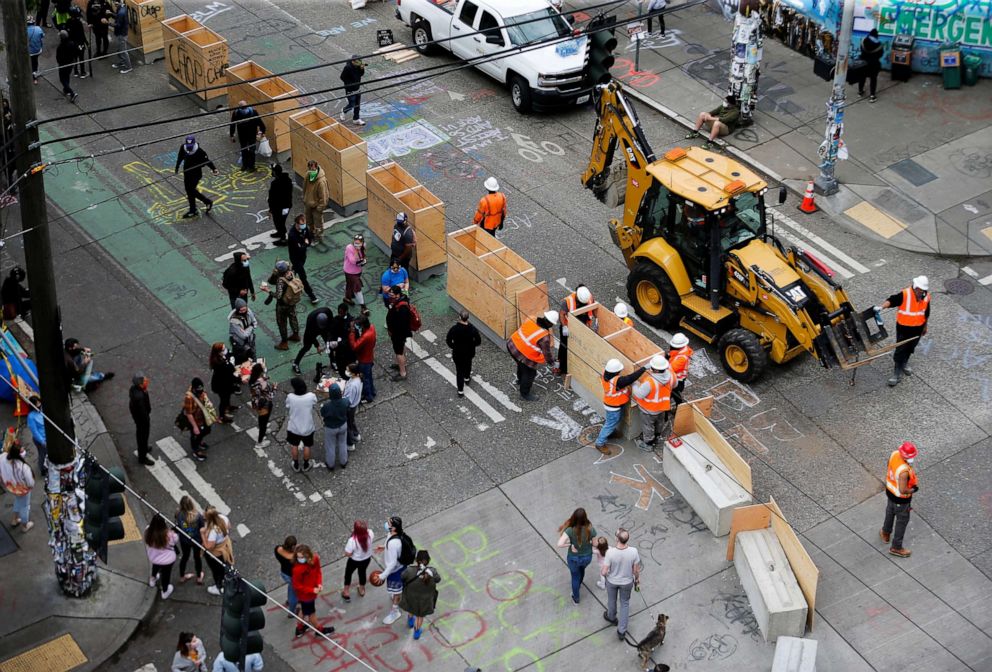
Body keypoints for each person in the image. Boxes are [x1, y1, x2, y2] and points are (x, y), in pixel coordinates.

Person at [877, 275, 930, 387]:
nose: (921, 293)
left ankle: (904, 363)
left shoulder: (926, 297)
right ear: (915, 287)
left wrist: (925, 326)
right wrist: (881, 307)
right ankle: (896, 372)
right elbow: (892, 300)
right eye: (919, 290)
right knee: (900, 349)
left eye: (923, 291)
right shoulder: (905, 294)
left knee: (911, 347)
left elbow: (926, 313)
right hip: (903, 329)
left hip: (917, 329)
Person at [595, 359, 647, 455]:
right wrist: (644, 368)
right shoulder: (616, 381)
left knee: (612, 422)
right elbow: (631, 378)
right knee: (610, 424)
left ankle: (611, 433)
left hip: (613, 404)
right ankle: (599, 443)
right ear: (616, 371)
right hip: (614, 407)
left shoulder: (605, 375)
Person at [507, 311, 558, 401]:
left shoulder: (532, 318)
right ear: (550, 323)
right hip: (523, 354)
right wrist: (552, 362)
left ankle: (520, 380)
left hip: (512, 345)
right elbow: (547, 353)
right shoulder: (544, 337)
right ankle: (525, 394)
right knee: (530, 373)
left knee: (521, 365)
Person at [601, 528, 641, 640]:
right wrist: (637, 580)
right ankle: (622, 631)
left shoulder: (610, 553)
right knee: (625, 604)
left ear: (617, 539)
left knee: (611, 600)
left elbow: (604, 571)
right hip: (627, 582)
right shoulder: (634, 551)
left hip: (612, 581)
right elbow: (636, 570)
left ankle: (611, 617)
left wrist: (605, 575)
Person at [881, 441, 919, 558]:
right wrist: (914, 489)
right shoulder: (903, 472)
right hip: (901, 499)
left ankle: (885, 533)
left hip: (890, 491)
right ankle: (896, 547)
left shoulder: (894, 454)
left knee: (889, 512)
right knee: (901, 522)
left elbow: (889, 467)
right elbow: (903, 490)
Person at [292, 544, 336, 638]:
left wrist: (319, 583)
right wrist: (312, 590)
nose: (300, 559)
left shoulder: (315, 559)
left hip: (311, 592)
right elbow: (297, 586)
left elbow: (318, 571)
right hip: (305, 596)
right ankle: (319, 630)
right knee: (311, 613)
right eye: (298, 557)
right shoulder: (297, 570)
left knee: (304, 610)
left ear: (308, 555)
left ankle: (299, 628)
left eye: (302, 557)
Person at [556, 507, 597, 604]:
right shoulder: (590, 529)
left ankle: (576, 598)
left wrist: (570, 544)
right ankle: (579, 584)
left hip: (573, 558)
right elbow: (595, 544)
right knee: (582, 570)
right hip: (587, 557)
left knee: (574, 576)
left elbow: (559, 544)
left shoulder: (570, 530)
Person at [632, 356, 673, 450]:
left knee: (648, 426)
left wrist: (634, 383)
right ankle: (657, 434)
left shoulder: (650, 381)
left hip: (649, 410)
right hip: (662, 407)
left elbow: (639, 394)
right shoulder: (669, 375)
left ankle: (648, 443)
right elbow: (675, 384)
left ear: (656, 370)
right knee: (659, 422)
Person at [379, 516, 414, 625]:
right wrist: (384, 547)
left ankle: (395, 612)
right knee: (396, 590)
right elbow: (390, 542)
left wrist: (383, 575)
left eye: (388, 523)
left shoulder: (394, 543)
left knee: (397, 592)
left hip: (396, 571)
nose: (386, 524)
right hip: (398, 568)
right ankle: (396, 595)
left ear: (393, 528)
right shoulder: (394, 535)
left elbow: (393, 563)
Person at [400, 550, 442, 640]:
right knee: (420, 616)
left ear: (416, 560)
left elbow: (402, 577)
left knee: (411, 608)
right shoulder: (432, 571)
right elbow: (438, 579)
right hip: (425, 600)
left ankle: (410, 620)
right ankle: (417, 631)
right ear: (428, 560)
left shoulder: (409, 570)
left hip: (411, 596)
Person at [174, 135, 218, 219]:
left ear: (194, 144)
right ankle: (194, 209)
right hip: (187, 173)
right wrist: (177, 167)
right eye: (188, 147)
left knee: (191, 190)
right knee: (189, 191)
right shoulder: (183, 147)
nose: (189, 149)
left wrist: (214, 168)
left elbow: (207, 161)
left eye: (190, 147)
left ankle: (205, 202)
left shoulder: (200, 151)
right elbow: (180, 157)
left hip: (196, 175)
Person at [262, 260, 302, 350]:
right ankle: (296, 335)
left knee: (282, 323)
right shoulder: (292, 273)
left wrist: (268, 291)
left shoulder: (281, 280)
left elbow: (278, 296)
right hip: (291, 302)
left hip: (282, 305)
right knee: (293, 317)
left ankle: (284, 343)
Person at [558, 284, 596, 376]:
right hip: (568, 328)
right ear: (578, 298)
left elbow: (593, 308)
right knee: (564, 348)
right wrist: (564, 327)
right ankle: (562, 367)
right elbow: (562, 314)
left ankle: (575, 366)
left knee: (578, 348)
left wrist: (597, 319)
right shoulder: (568, 301)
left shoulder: (588, 297)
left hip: (582, 327)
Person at [1, 438, 35, 533]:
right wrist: (30, 487)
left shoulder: (2, 457)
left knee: (18, 500)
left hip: (11, 487)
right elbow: (30, 483)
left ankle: (15, 519)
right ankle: (25, 525)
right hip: (22, 489)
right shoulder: (23, 467)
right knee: (25, 506)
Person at [286, 377, 317, 472]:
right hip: (307, 427)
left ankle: (295, 464)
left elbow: (287, 406)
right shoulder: (311, 396)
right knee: (307, 446)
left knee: (294, 445)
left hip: (294, 427)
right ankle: (306, 464)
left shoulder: (290, 397)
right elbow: (314, 403)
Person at [446, 311, 481, 396]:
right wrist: (472, 345)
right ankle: (467, 378)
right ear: (468, 318)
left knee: (459, 371)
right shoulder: (472, 329)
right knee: (468, 364)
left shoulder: (454, 329)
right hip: (469, 352)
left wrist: (453, 346)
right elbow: (478, 341)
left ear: (459, 317)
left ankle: (460, 390)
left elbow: (448, 340)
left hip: (457, 353)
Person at [145, 514, 179, 600]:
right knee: (166, 575)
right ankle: (165, 591)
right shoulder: (170, 535)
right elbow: (175, 542)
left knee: (155, 568)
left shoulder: (148, 531)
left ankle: (152, 580)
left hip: (154, 558)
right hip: (167, 560)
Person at [293, 307, 335, 375]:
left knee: (329, 343)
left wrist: (330, 339)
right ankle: (295, 363)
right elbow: (311, 336)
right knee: (307, 347)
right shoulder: (310, 320)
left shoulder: (328, 312)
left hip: (325, 329)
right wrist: (317, 346)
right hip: (312, 330)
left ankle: (333, 361)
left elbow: (331, 326)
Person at [201, 506, 233, 596]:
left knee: (216, 571)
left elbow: (209, 547)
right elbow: (229, 526)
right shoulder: (223, 518)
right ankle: (227, 576)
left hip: (216, 553)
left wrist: (202, 534)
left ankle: (219, 587)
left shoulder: (213, 531)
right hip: (225, 546)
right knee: (225, 564)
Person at [288, 215, 319, 305]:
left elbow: (309, 239)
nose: (304, 225)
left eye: (304, 223)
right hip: (295, 257)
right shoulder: (292, 235)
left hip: (303, 256)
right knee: (303, 277)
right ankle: (311, 295)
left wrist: (305, 244)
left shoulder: (305, 229)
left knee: (294, 271)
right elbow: (299, 248)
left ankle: (289, 277)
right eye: (302, 224)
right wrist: (305, 244)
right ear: (296, 224)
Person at [183, 378, 215, 462]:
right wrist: (195, 427)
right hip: (195, 420)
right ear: (194, 389)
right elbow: (189, 413)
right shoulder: (189, 398)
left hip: (203, 417)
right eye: (199, 391)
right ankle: (196, 450)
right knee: (195, 435)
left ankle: (199, 442)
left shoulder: (200, 391)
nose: (201, 392)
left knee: (207, 430)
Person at [229, 100, 266, 172]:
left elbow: (260, 122)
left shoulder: (252, 112)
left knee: (250, 150)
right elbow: (233, 124)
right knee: (244, 149)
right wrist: (232, 134)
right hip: (243, 134)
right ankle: (246, 165)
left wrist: (262, 131)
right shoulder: (237, 113)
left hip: (250, 134)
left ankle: (250, 166)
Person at [175, 496, 204, 585]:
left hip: (184, 540)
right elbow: (202, 528)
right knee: (197, 558)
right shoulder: (198, 516)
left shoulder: (178, 514)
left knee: (185, 557)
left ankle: (182, 576)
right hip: (196, 540)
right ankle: (199, 577)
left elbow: (178, 525)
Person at [342, 520, 373, 602]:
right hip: (366, 559)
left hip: (354, 561)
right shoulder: (370, 533)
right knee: (362, 572)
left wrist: (351, 554)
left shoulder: (352, 540)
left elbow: (348, 553)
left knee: (348, 573)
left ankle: (346, 591)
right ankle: (362, 589)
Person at [385, 286, 412, 382]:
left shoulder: (402, 308)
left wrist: (392, 331)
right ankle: (402, 365)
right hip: (399, 333)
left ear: (397, 295)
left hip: (398, 334)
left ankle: (402, 373)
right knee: (401, 349)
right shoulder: (400, 301)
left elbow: (400, 324)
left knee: (398, 352)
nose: (390, 297)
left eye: (392, 295)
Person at [320, 383, 349, 471]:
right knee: (342, 443)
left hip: (331, 428)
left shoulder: (327, 406)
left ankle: (331, 464)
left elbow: (323, 413)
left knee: (330, 446)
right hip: (343, 425)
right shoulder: (345, 401)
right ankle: (343, 462)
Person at [349, 315, 377, 402]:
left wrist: (352, 333)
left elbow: (354, 346)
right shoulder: (371, 327)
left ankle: (368, 396)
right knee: (369, 377)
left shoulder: (365, 336)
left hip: (364, 360)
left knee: (365, 379)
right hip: (369, 356)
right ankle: (372, 391)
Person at [208, 343, 238, 423]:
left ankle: (228, 407)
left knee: (227, 397)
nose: (226, 350)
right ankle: (222, 416)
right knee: (223, 400)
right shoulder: (218, 363)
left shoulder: (219, 358)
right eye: (223, 350)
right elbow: (229, 370)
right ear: (219, 352)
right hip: (221, 385)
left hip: (224, 383)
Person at [249, 363, 275, 449]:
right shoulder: (260, 384)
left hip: (258, 404)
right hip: (264, 405)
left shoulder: (253, 380)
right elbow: (270, 395)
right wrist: (274, 388)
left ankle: (263, 429)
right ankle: (259, 442)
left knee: (262, 420)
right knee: (263, 422)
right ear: (260, 372)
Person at [129, 374, 154, 466]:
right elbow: (143, 412)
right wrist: (147, 419)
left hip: (138, 417)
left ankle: (144, 448)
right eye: (144, 381)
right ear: (140, 384)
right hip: (142, 420)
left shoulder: (134, 389)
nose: (146, 382)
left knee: (142, 436)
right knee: (143, 436)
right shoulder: (139, 397)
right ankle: (142, 457)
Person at [302, 160, 328, 245]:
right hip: (308, 203)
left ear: (316, 167)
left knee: (318, 224)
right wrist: (304, 198)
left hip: (316, 206)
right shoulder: (307, 175)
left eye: (312, 168)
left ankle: (318, 237)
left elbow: (323, 196)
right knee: (309, 221)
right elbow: (305, 187)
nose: (310, 170)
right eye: (309, 168)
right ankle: (311, 235)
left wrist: (320, 207)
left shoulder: (321, 181)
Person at [268, 164, 293, 245]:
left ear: (275, 172)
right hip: (286, 206)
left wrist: (271, 209)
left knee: (279, 222)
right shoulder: (288, 180)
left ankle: (283, 238)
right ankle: (280, 232)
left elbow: (272, 198)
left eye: (272, 171)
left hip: (278, 207)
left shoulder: (275, 183)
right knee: (281, 221)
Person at [275, 535, 299, 616]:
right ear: (293, 546)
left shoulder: (278, 549)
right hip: (292, 576)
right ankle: (292, 613)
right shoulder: (293, 557)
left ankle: (289, 600)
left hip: (284, 573)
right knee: (294, 596)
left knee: (291, 587)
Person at [228, 298, 258, 364]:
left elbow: (255, 323)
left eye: (245, 309)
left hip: (250, 340)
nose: (244, 312)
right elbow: (243, 336)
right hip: (239, 344)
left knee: (253, 358)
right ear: (238, 310)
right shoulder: (234, 322)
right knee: (240, 361)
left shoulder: (248, 311)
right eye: (241, 310)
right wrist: (251, 326)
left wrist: (247, 329)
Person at [330, 303, 356, 378]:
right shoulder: (336, 319)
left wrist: (340, 343)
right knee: (341, 369)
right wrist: (332, 341)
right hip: (339, 351)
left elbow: (351, 337)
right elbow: (332, 332)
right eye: (339, 312)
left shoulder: (351, 321)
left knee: (350, 368)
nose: (340, 314)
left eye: (341, 312)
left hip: (348, 351)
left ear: (346, 311)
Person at [340, 55, 366, 126]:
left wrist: (362, 68)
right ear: (353, 61)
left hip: (357, 88)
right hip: (350, 89)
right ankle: (344, 110)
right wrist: (350, 84)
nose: (359, 63)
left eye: (360, 62)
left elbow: (361, 74)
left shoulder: (358, 65)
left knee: (357, 105)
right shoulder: (348, 67)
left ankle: (356, 119)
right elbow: (342, 77)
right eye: (357, 62)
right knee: (352, 104)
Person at [343, 234, 368, 310]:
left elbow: (363, 256)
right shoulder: (349, 248)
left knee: (350, 284)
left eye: (358, 243)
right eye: (355, 243)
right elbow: (353, 261)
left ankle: (347, 298)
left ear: (362, 242)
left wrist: (363, 261)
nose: (356, 245)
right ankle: (363, 306)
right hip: (350, 272)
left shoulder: (363, 246)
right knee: (357, 287)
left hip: (358, 271)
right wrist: (357, 251)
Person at [859, 28, 884, 102]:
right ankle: (872, 96)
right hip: (874, 64)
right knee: (873, 79)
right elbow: (880, 54)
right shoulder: (879, 44)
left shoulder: (864, 41)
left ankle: (860, 92)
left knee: (862, 77)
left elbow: (861, 50)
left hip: (863, 63)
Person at [55, 31, 79, 103]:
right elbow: (76, 52)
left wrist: (59, 63)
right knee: (67, 76)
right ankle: (66, 89)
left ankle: (72, 93)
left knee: (62, 79)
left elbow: (58, 57)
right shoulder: (71, 43)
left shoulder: (60, 46)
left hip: (63, 64)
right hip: (70, 63)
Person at [26, 396, 47, 476]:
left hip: (47, 436)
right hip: (40, 440)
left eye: (39, 402)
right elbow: (35, 432)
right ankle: (42, 468)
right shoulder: (31, 417)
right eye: (36, 404)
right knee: (42, 454)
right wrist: (42, 441)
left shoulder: (42, 410)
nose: (39, 405)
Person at [343, 363, 362, 449]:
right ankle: (356, 434)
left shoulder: (353, 385)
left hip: (350, 407)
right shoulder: (358, 379)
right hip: (354, 405)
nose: (346, 372)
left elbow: (348, 400)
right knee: (351, 421)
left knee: (348, 425)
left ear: (353, 373)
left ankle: (350, 443)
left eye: (348, 370)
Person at [667, 332, 692, 398]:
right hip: (677, 377)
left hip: (677, 379)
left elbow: (671, 369)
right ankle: (678, 402)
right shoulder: (682, 350)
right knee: (673, 392)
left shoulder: (682, 358)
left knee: (672, 391)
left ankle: (678, 402)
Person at [65, 8, 87, 79]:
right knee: (81, 58)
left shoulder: (68, 22)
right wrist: (86, 42)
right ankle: (83, 72)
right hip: (79, 43)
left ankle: (75, 71)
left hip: (72, 44)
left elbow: (67, 33)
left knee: (74, 58)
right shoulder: (78, 23)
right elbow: (82, 34)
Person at [113, 1, 132, 74]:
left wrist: (108, 23)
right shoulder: (123, 8)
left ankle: (128, 67)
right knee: (119, 49)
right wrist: (111, 14)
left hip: (121, 34)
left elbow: (118, 25)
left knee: (123, 50)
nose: (114, 4)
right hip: (121, 33)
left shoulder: (121, 12)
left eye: (115, 3)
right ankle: (122, 62)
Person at [27, 19, 44, 85]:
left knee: (31, 63)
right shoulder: (38, 28)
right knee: (35, 62)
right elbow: (42, 36)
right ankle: (35, 76)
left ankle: (33, 76)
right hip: (37, 50)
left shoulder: (23, 31)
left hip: (29, 52)